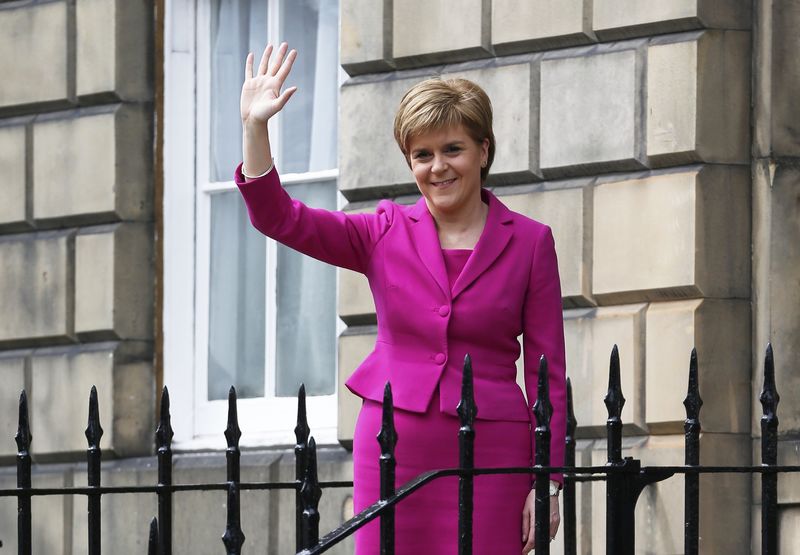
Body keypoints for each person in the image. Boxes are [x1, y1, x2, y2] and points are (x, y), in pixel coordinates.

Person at [237, 43, 567, 555]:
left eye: (453, 149)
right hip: (394, 444)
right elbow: (279, 218)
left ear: (484, 150)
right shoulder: (383, 231)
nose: (439, 167)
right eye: (423, 154)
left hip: (494, 451)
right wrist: (255, 128)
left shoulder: (530, 242)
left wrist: (548, 480)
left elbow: (548, 372)